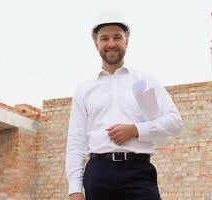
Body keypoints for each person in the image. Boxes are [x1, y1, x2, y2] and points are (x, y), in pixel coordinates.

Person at [65, 11, 183, 200]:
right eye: (104, 38)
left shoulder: (146, 81)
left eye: (117, 37)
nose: (111, 43)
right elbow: (76, 142)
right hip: (98, 174)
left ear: (126, 42)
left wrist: (136, 129)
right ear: (96, 44)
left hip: (139, 173)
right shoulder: (84, 90)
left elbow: (175, 122)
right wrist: (75, 190)